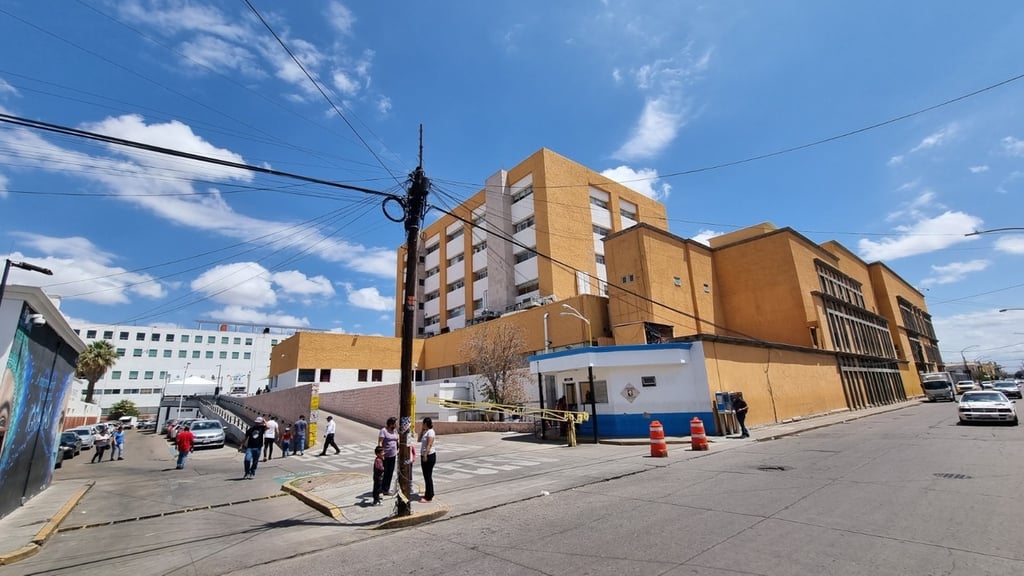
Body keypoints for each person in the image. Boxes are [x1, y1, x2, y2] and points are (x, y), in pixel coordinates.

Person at [377, 417, 399, 495]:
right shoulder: (383, 431)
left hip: (393, 456)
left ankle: (386, 489)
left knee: (390, 472)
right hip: (385, 456)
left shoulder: (395, 431)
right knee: (384, 473)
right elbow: (380, 442)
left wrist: (398, 449)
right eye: (395, 424)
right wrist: (380, 454)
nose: (396, 425)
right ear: (391, 424)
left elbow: (396, 441)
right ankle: (381, 488)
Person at [419, 417, 436, 503]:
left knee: (428, 476)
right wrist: (422, 431)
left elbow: (429, 445)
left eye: (423, 423)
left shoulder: (431, 432)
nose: (422, 425)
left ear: (426, 423)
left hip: (429, 456)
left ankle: (428, 496)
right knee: (426, 476)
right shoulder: (426, 432)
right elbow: (419, 440)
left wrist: (425, 455)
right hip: (424, 455)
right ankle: (430, 493)